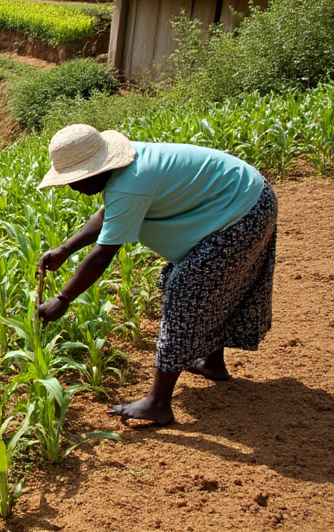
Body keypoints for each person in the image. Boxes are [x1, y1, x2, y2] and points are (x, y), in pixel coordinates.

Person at [34, 124, 277, 427]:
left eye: (77, 179)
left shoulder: (131, 183)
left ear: (98, 168)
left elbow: (103, 254)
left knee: (186, 290)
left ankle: (157, 403)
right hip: (247, 197)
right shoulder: (126, 169)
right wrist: (66, 249)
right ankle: (211, 362)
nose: (73, 187)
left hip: (242, 210)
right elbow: (107, 214)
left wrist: (63, 298)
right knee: (213, 286)